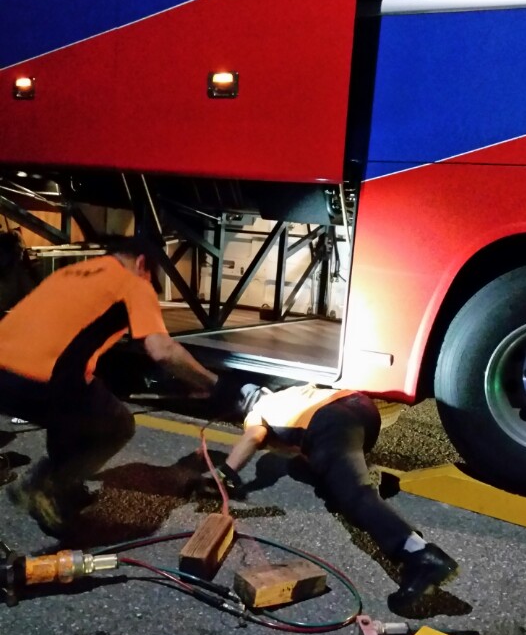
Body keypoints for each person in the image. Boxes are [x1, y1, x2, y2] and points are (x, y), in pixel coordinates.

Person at [0, 235, 221, 536]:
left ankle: (67, 490)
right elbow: (163, 351)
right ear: (142, 263)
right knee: (117, 424)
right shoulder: (133, 282)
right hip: (41, 379)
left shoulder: (70, 273)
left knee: (73, 411)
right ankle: (46, 486)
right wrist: (213, 383)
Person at [199, 383, 459, 614]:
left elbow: (253, 437)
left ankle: (420, 555)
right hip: (361, 409)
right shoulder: (290, 393)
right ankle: (356, 487)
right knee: (331, 475)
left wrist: (223, 474)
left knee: (355, 495)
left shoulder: (258, 411)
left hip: (328, 422)